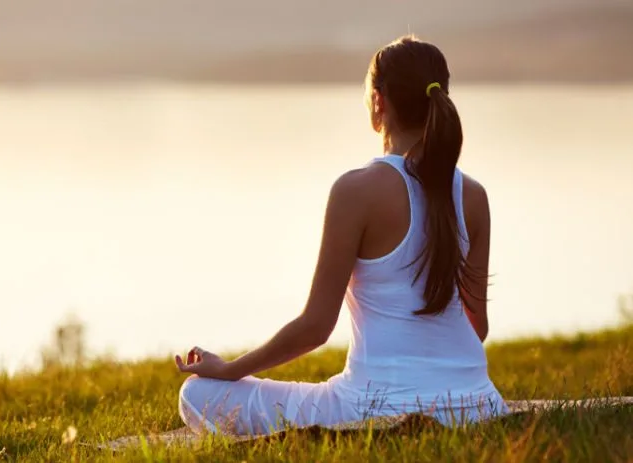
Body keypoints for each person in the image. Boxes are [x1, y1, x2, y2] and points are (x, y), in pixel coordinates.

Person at [174, 35, 509, 436]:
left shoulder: (356, 191)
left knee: (197, 394)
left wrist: (230, 369)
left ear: (379, 103)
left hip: (372, 408)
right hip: (480, 403)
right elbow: (478, 328)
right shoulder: (473, 195)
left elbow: (316, 327)